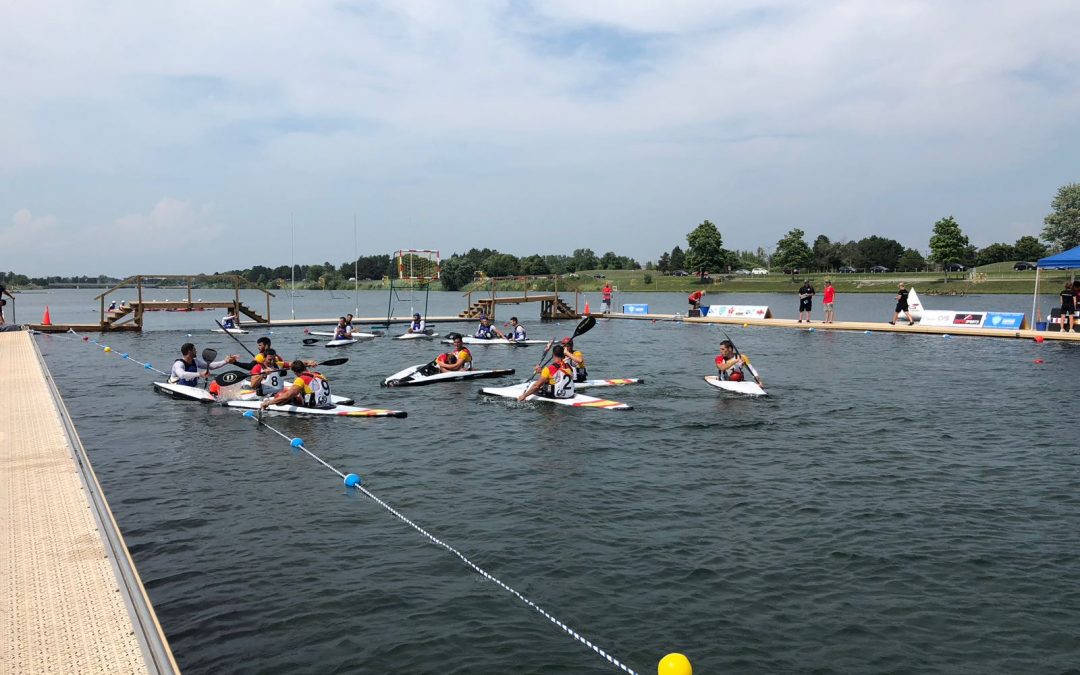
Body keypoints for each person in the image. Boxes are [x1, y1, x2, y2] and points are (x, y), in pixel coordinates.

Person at [260, 361, 332, 409]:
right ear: (304, 368)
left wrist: (268, 403)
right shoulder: (319, 374)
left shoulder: (301, 379)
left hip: (315, 407)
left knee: (282, 396)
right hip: (328, 404)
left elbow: (287, 395)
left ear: (295, 372)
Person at [169, 343, 238, 386]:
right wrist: (200, 374)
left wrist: (226, 361)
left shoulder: (195, 361)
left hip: (191, 388)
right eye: (194, 350)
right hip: (176, 386)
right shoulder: (178, 364)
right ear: (189, 351)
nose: (196, 351)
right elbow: (182, 375)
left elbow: (210, 366)